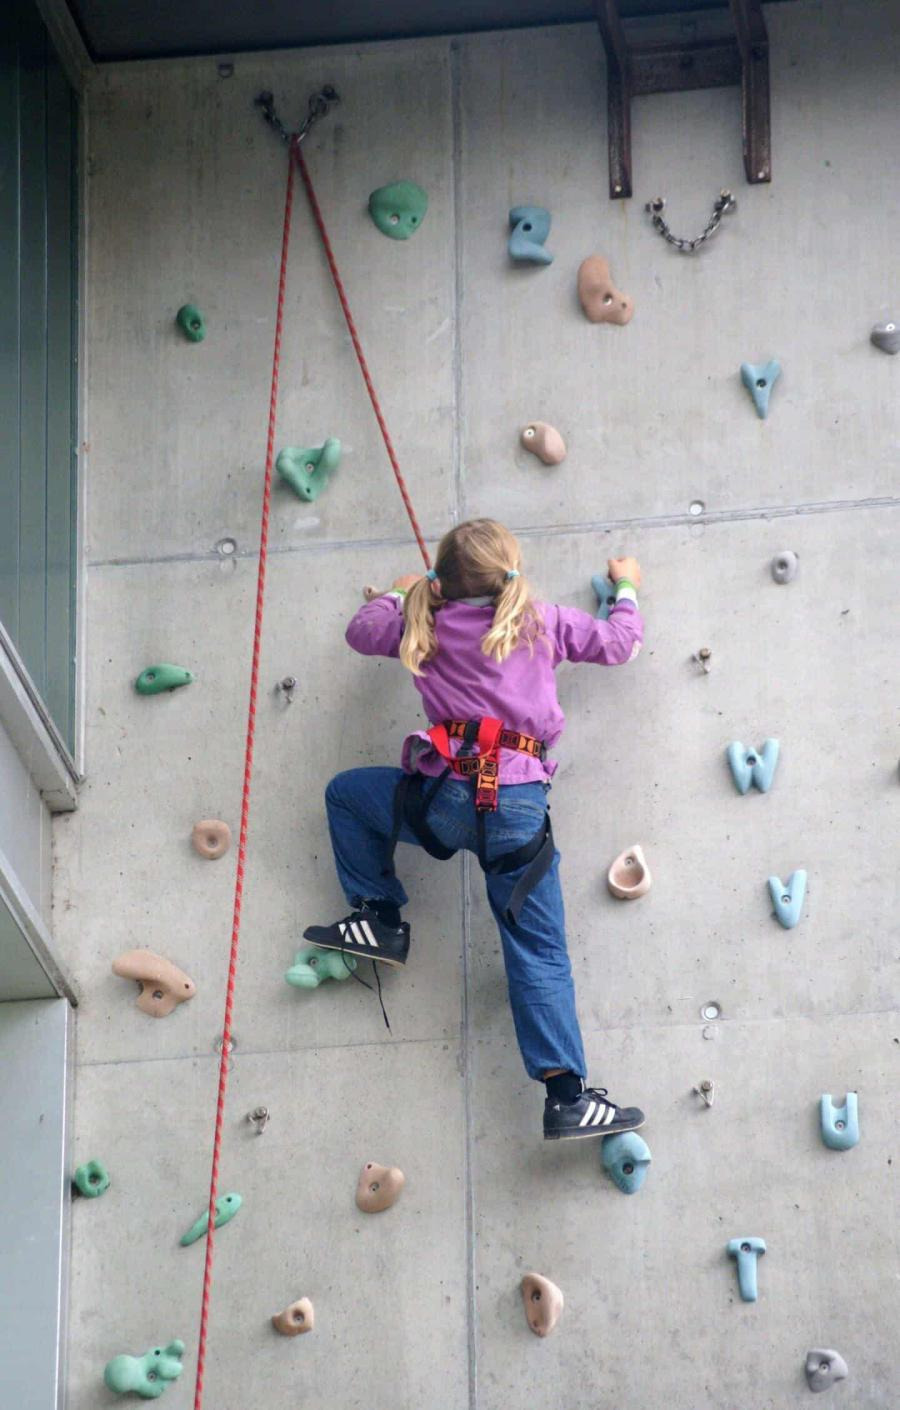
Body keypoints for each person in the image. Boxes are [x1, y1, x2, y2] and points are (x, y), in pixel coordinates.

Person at [304, 518, 646, 1141]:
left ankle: (380, 916)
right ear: (508, 570)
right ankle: (566, 1098)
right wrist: (625, 588)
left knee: (348, 796)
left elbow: (360, 632)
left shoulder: (423, 621)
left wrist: (403, 592)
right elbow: (620, 644)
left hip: (446, 801)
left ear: (442, 577)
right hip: (516, 809)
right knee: (538, 950)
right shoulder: (541, 620)